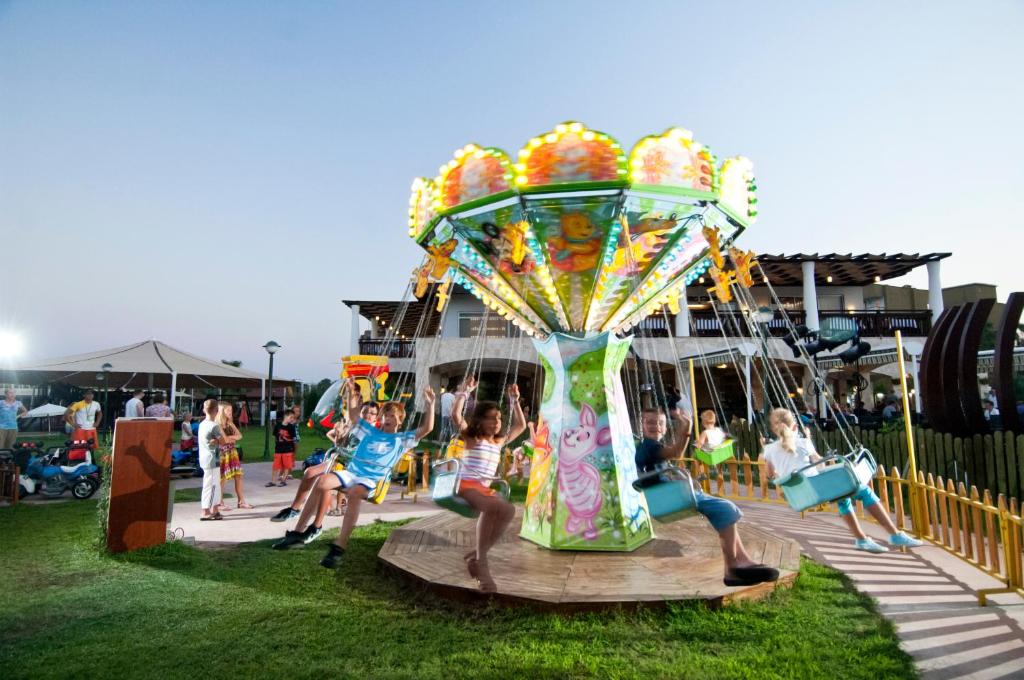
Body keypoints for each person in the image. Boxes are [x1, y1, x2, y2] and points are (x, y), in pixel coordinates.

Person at [273, 378, 435, 570]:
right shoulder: (369, 431)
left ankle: (338, 547)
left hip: (371, 479)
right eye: (384, 415)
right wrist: (351, 393)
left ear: (400, 420)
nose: (387, 419)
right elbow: (353, 415)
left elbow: (427, 429)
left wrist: (431, 405)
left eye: (391, 416)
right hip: (352, 472)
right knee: (323, 481)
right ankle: (299, 533)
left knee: (355, 493)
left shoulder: (402, 438)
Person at [636, 407, 780, 587]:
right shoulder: (648, 447)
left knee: (726, 507)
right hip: (668, 496)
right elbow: (675, 453)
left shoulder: (649, 448)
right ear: (641, 425)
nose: (655, 426)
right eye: (650, 422)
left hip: (669, 493)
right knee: (725, 508)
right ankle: (733, 567)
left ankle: (741, 561)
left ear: (665, 428)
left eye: (660, 423)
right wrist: (686, 428)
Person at [762, 408, 923, 552]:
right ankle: (894, 534)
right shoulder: (803, 442)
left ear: (774, 429)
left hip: (799, 496)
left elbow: (770, 474)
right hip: (816, 489)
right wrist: (810, 440)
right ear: (795, 427)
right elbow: (820, 464)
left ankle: (861, 539)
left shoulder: (769, 450)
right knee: (864, 491)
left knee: (843, 497)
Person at [448, 376, 526, 592]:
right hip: (465, 485)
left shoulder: (498, 442)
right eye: (491, 419)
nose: (496, 423)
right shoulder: (473, 438)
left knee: (508, 510)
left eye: (499, 418)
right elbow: (455, 415)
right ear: (479, 421)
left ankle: (476, 555)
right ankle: (482, 565)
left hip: (482, 489)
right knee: (493, 506)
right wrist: (464, 392)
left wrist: (515, 400)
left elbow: (520, 425)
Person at [269, 401, 380, 523]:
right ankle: (294, 509)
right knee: (309, 472)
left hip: (352, 466)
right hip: (338, 459)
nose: (368, 415)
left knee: (324, 481)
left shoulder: (375, 433)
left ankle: (317, 524)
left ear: (376, 417)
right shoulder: (356, 427)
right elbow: (341, 443)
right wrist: (341, 434)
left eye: (372, 413)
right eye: (365, 412)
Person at [215, 401, 252, 511]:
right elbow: (225, 439)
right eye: (228, 410)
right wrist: (232, 438)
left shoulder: (230, 423)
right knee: (222, 478)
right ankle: (220, 502)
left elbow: (240, 435)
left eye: (231, 410)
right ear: (222, 411)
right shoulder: (217, 424)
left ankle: (241, 501)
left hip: (233, 452)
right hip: (223, 453)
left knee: (238, 476)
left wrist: (230, 438)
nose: (231, 412)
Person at [198, 399, 230, 521]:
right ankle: (206, 511)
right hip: (212, 459)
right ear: (216, 411)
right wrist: (218, 440)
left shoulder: (202, 424)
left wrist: (215, 441)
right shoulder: (214, 426)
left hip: (205, 457)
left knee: (214, 485)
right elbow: (224, 441)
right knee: (210, 486)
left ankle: (215, 509)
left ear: (204, 410)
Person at [268, 411, 298, 487]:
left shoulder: (291, 427)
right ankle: (273, 481)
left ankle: (283, 480)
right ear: (285, 416)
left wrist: (293, 449)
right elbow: (274, 436)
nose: (292, 419)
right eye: (290, 417)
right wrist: (278, 443)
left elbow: (293, 438)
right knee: (275, 466)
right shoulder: (278, 425)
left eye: (293, 418)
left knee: (286, 466)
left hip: (288, 449)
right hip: (278, 449)